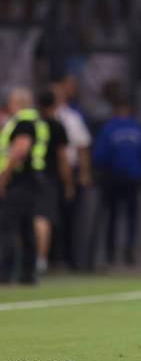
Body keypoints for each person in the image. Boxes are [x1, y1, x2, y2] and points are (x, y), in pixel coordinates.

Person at [93, 98, 141, 266]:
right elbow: (101, 156)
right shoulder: (113, 128)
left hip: (127, 177)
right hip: (116, 178)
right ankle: (113, 252)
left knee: (127, 216)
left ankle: (128, 250)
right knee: (115, 216)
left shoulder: (133, 127)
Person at [0, 88, 49, 284]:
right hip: (32, 179)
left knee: (6, 225)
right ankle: (28, 273)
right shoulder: (36, 121)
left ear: (16, 102)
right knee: (26, 226)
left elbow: (20, 149)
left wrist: (4, 176)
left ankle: (5, 271)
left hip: (20, 180)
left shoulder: (23, 123)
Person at [52, 79, 93, 269]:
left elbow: (82, 146)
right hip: (46, 172)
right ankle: (50, 258)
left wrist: (84, 172)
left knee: (70, 217)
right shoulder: (38, 116)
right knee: (48, 216)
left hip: (69, 170)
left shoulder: (72, 117)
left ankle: (70, 259)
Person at [34, 89, 74, 273]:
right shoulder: (57, 126)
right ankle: (40, 260)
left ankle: (25, 258)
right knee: (43, 218)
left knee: (26, 218)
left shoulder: (31, 124)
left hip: (28, 176)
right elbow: (62, 157)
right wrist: (68, 183)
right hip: (49, 177)